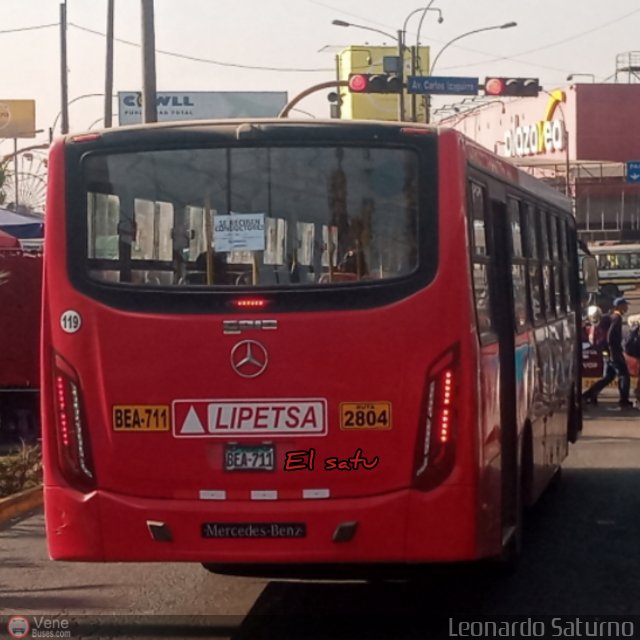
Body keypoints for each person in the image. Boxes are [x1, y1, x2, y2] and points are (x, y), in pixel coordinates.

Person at [583, 297, 633, 408]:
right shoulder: (617, 318)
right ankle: (624, 400)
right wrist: (612, 351)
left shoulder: (611, 316)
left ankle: (588, 395)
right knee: (624, 375)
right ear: (619, 306)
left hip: (607, 352)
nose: (627, 307)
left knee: (608, 377)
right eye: (625, 305)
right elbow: (610, 336)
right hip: (614, 352)